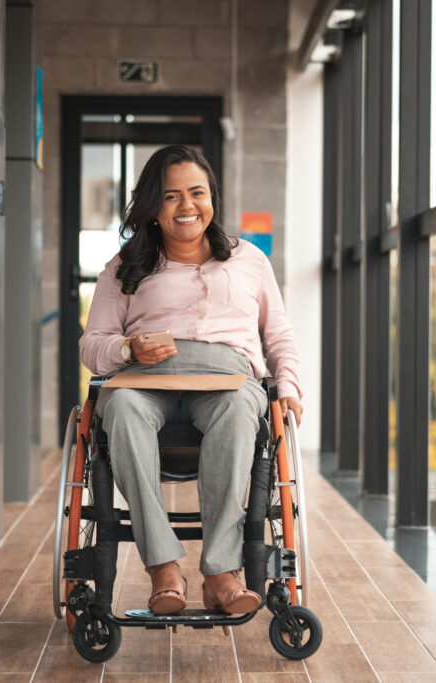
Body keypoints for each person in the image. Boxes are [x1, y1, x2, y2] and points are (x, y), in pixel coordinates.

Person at [80, 144, 303, 616]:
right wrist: (127, 349)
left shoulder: (250, 260)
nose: (187, 207)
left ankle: (221, 572)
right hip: (146, 380)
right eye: (171, 196)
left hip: (227, 380)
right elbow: (92, 344)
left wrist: (287, 388)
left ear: (212, 198)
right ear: (153, 209)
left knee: (244, 407)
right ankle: (163, 568)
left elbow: (278, 334)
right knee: (117, 408)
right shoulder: (123, 268)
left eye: (197, 193)